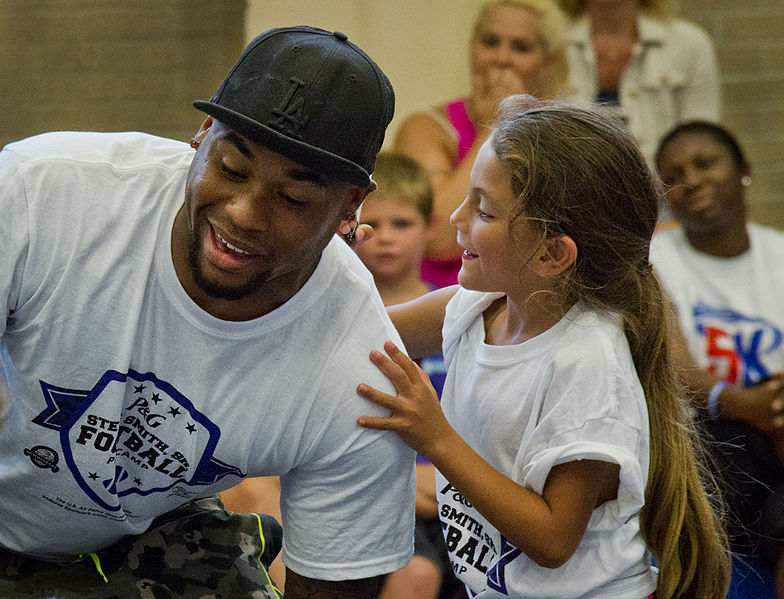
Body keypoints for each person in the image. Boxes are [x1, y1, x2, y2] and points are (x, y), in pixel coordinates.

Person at [0, 26, 416, 599]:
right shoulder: (41, 193)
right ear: (201, 135)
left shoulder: (360, 372)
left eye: (294, 198)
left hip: (146, 539)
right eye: (231, 168)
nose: (245, 213)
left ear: (351, 205)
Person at [354, 96, 731, 598]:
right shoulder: (477, 305)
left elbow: (554, 540)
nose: (456, 218)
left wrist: (436, 438)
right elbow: (355, 339)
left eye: (483, 210)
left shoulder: (585, 359)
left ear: (553, 254)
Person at [651, 120, 784, 599]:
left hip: (778, 433)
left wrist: (777, 406)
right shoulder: (654, 259)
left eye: (705, 163)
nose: (690, 179)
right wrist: (738, 402)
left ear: (743, 170)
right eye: (674, 174)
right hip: (701, 440)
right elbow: (674, 362)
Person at [393, 0, 570, 288]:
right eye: (490, 42)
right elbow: (439, 238)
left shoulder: (562, 136)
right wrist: (497, 125)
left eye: (520, 47)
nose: (502, 58)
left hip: (530, 296)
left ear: (546, 63)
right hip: (442, 296)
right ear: (472, 49)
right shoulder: (426, 127)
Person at [353, 151, 463, 599]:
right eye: (371, 225)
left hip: (450, 494)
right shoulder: (338, 315)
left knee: (428, 574)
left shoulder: (456, 315)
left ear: (430, 229)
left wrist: (444, 474)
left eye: (402, 224)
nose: (385, 239)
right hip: (367, 492)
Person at [559, 0, 721, 165]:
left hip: (666, 185)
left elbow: (700, 141)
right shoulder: (552, 42)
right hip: (572, 183)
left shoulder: (690, 44)